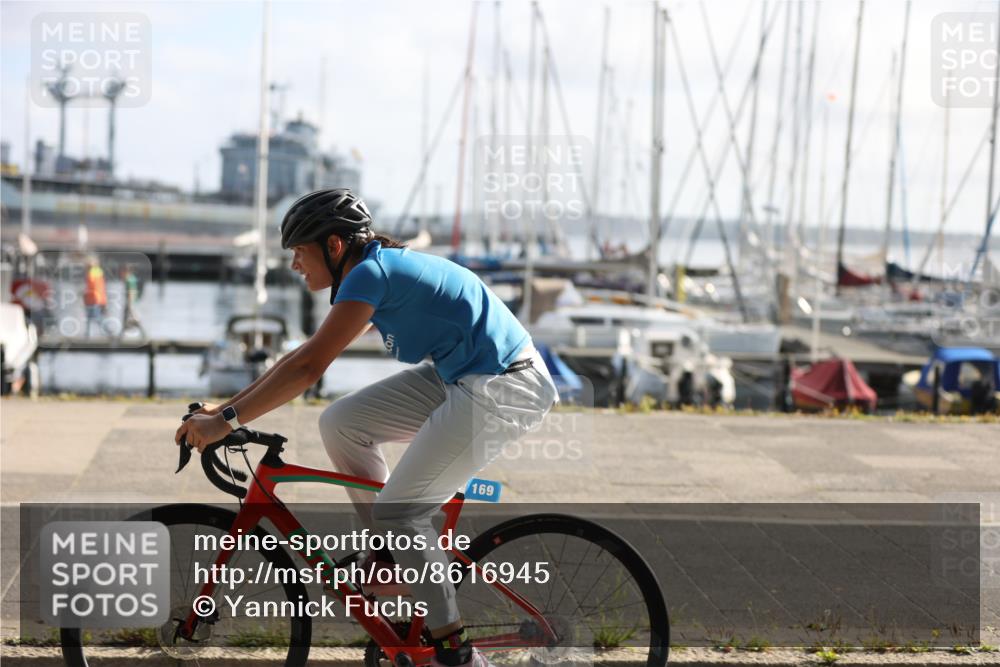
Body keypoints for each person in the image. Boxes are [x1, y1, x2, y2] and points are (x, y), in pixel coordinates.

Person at [176, 188, 558, 667]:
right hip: (463, 376)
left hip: (505, 386)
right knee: (342, 422)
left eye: (300, 251)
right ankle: (394, 555)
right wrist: (225, 409)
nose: (294, 264)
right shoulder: (372, 272)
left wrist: (225, 422)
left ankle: (454, 653)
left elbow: (308, 369)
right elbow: (303, 355)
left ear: (335, 246)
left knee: (401, 513)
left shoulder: (371, 274)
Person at [83, 258, 108, 338]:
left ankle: (108, 332)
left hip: (94, 299)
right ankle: (87, 334)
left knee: (96, 317)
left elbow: (93, 287)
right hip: (93, 299)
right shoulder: (98, 273)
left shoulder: (93, 273)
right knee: (90, 318)